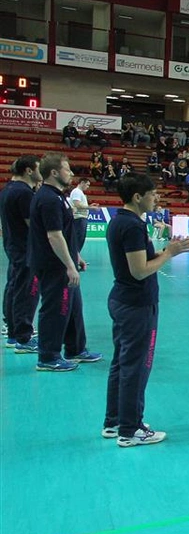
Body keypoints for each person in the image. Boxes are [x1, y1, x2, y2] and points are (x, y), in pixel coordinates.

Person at [101, 173, 189, 447]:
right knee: (136, 367)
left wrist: (167, 249)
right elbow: (140, 271)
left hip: (124, 301)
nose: (157, 198)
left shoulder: (121, 221)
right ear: (137, 197)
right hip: (136, 305)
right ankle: (130, 430)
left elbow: (139, 259)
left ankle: (114, 421)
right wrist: (170, 254)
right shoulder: (132, 226)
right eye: (153, 194)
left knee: (121, 364)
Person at [28, 154, 103, 372]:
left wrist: (75, 255)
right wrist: (69, 265)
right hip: (53, 264)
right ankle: (48, 356)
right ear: (54, 173)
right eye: (67, 169)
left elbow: (65, 232)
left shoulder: (58, 196)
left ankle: (75, 348)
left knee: (73, 307)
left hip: (63, 260)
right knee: (56, 308)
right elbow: (54, 235)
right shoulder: (48, 199)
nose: (70, 173)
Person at [1, 156, 42, 352]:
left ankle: (13, 333)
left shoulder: (7, 189)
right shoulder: (24, 193)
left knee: (13, 288)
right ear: (29, 170)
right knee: (26, 292)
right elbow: (33, 225)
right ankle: (23, 337)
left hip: (13, 246)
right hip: (26, 250)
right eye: (38, 168)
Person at [68, 177, 91, 268]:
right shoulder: (77, 191)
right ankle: (74, 259)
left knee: (80, 239)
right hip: (79, 218)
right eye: (87, 184)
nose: (88, 187)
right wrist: (90, 207)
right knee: (78, 239)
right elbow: (77, 204)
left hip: (81, 218)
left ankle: (76, 258)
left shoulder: (80, 192)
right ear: (82, 183)